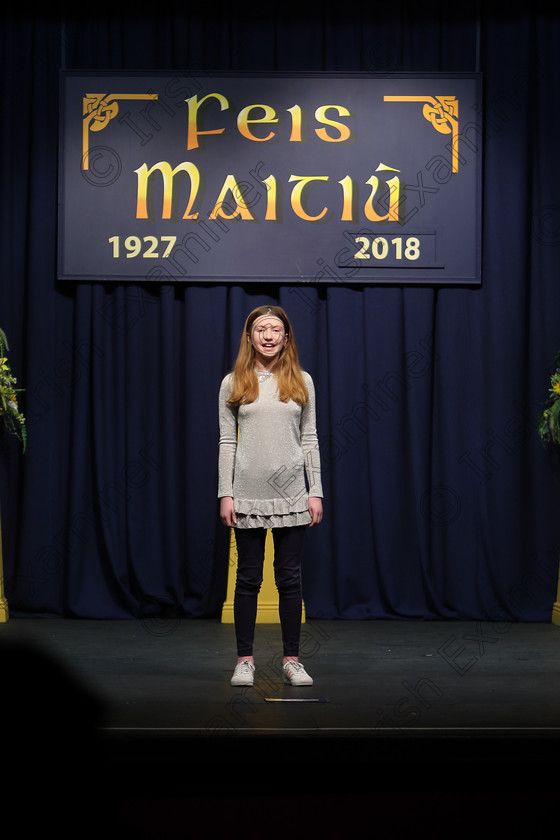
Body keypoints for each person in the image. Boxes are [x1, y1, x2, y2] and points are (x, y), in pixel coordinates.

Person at [218, 305, 323, 687]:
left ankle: (291, 660)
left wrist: (316, 492)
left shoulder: (302, 381)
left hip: (294, 493)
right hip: (247, 492)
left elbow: (309, 439)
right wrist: (225, 493)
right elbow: (227, 441)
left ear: (286, 337)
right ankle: (244, 660)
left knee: (289, 579)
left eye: (275, 329)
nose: (267, 335)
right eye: (260, 329)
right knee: (247, 578)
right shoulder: (233, 382)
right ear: (249, 337)